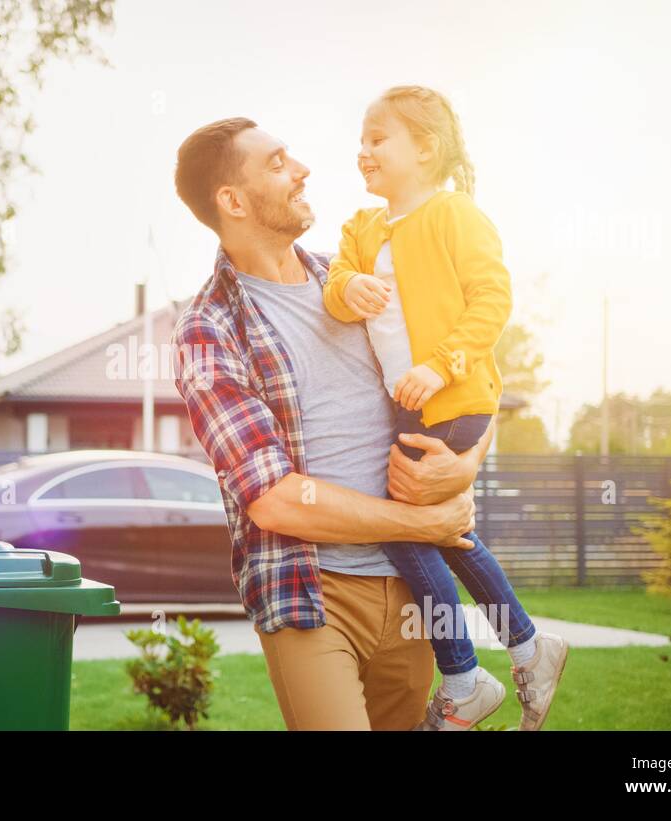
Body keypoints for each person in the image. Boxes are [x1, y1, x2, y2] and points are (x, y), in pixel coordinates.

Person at [171, 116, 483, 730]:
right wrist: (423, 519)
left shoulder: (360, 283)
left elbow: (468, 381)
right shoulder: (207, 330)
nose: (303, 168)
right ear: (232, 200)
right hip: (312, 592)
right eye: (277, 162)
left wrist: (464, 466)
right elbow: (274, 500)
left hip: (416, 588)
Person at [322, 86, 567, 730]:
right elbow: (333, 287)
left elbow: (492, 298)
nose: (364, 151)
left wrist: (441, 364)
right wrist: (354, 286)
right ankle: (525, 648)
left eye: (379, 139)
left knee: (406, 529)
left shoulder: (455, 214)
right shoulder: (363, 227)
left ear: (425, 149)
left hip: (456, 399)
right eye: (362, 140)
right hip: (413, 410)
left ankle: (464, 676)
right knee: (442, 533)